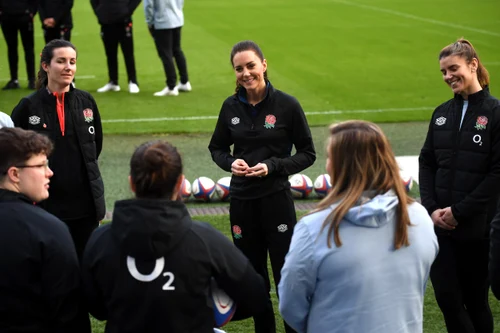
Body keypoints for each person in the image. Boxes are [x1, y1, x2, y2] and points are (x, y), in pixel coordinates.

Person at [82, 140, 268, 332]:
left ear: (131, 183)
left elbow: (96, 307)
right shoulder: (206, 240)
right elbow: (255, 296)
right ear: (180, 184)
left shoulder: (99, 240)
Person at [278, 120, 438, 333]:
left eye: (330, 158)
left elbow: (291, 306)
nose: (327, 165)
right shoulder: (419, 218)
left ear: (341, 166)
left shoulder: (316, 227)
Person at [208, 40, 316, 333]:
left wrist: (274, 166)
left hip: (276, 201)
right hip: (242, 202)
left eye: (251, 66)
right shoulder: (229, 106)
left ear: (264, 65)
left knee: (286, 277)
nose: (246, 73)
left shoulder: (287, 105)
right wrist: (230, 163)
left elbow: (308, 153)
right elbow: (216, 148)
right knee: (253, 278)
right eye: (239, 69)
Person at [419, 38, 500, 333]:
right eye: (443, 72)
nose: (447, 76)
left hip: (477, 228)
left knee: (476, 301)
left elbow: (497, 174)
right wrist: (432, 208)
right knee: (448, 299)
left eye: (453, 69)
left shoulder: (495, 113)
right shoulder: (441, 113)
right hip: (440, 227)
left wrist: (460, 211)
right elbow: (427, 161)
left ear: (473, 65)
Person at [11, 39, 106, 259]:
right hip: (45, 207)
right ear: (46, 65)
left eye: (72, 62)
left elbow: (95, 146)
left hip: (86, 208)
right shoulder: (28, 106)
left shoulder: (86, 102)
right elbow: (12, 154)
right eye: (61, 61)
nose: (68, 67)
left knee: (86, 268)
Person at [0, 127, 90, 333]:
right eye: (41, 165)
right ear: (14, 174)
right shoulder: (48, 228)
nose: (50, 172)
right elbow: (69, 310)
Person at [91, 0, 141, 94]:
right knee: (110, 53)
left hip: (124, 21)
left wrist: (127, 11)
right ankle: (113, 81)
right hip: (106, 21)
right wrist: (99, 12)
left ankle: (132, 81)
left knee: (128, 52)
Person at [144, 0, 192, 96]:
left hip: (162, 21)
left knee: (166, 54)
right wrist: (177, 11)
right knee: (176, 50)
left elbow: (148, 5)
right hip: (177, 18)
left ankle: (171, 86)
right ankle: (184, 81)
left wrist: (149, 22)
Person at [0, 0, 37, 90]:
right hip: (6, 17)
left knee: (28, 48)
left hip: (25, 16)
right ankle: (14, 79)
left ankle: (31, 80)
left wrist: (32, 11)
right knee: (11, 48)